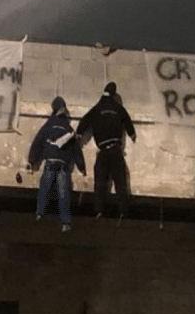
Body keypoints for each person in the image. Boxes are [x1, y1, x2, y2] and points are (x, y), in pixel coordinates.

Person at [76, 82, 136, 218]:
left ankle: (99, 210)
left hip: (102, 150)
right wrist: (132, 134)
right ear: (114, 94)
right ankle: (123, 211)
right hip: (115, 149)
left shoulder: (97, 108)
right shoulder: (118, 108)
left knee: (100, 181)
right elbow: (128, 121)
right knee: (120, 181)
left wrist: (79, 133)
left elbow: (85, 120)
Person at [27, 96, 86, 232]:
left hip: (50, 163)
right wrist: (81, 166)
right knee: (63, 194)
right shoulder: (68, 128)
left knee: (44, 190)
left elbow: (38, 143)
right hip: (63, 166)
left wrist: (32, 161)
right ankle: (66, 223)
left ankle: (39, 214)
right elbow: (76, 149)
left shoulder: (48, 125)